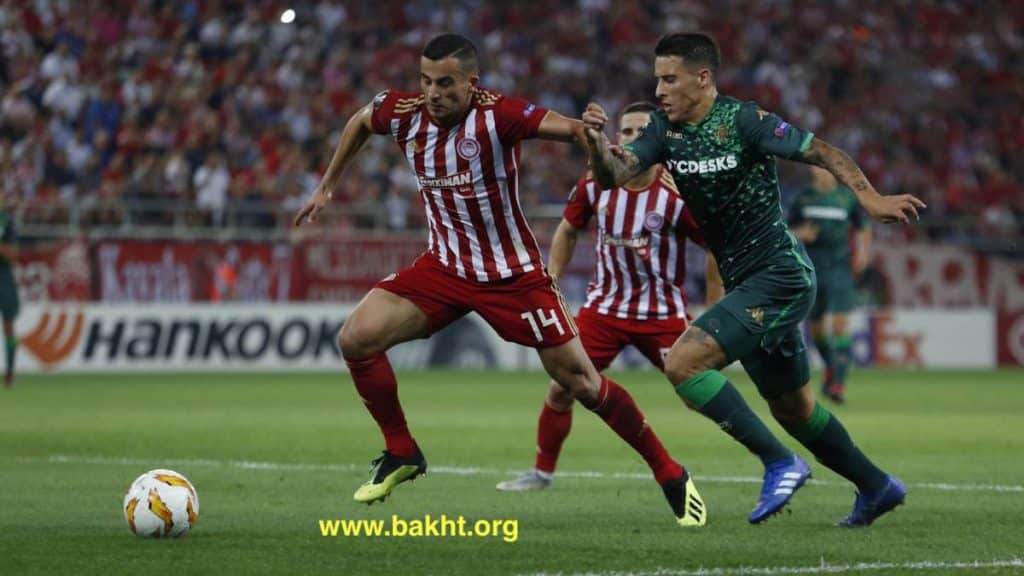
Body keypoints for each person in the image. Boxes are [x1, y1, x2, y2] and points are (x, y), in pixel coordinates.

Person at [294, 34, 706, 527]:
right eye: (426, 81)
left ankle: (669, 472)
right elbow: (362, 120)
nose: (433, 93)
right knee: (356, 339)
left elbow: (569, 129)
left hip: (512, 277)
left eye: (445, 83)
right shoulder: (403, 112)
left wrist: (592, 135)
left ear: (472, 83)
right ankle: (402, 451)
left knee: (580, 382)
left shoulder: (499, 114)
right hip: (444, 267)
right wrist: (327, 186)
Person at [581, 33, 925, 527]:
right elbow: (616, 174)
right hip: (747, 284)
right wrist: (597, 147)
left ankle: (779, 462)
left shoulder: (743, 120)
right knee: (794, 410)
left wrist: (869, 198)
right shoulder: (662, 130)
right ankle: (877, 487)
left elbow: (821, 151)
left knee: (683, 364)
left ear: (703, 78)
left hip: (781, 273)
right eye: (657, 79)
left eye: (670, 79)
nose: (659, 90)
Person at [496, 102, 812, 524]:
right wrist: (551, 279)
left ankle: (773, 458)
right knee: (561, 388)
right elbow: (569, 228)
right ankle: (541, 472)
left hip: (661, 312)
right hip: (604, 310)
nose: (631, 139)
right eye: (625, 131)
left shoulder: (675, 193)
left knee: (697, 392)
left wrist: (715, 300)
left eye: (640, 132)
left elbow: (713, 247)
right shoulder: (594, 184)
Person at [789, 166, 872, 404]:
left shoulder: (846, 198)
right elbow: (786, 230)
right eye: (817, 166)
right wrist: (800, 233)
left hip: (840, 269)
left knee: (840, 325)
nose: (822, 171)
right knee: (816, 330)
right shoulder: (803, 197)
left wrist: (863, 252)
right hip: (811, 269)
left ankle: (838, 383)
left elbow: (863, 227)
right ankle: (831, 369)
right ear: (813, 170)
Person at [0, 206, 19, 388]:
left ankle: (10, 372)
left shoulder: (6, 221)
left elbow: (12, 254)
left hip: (3, 278)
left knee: (9, 325)